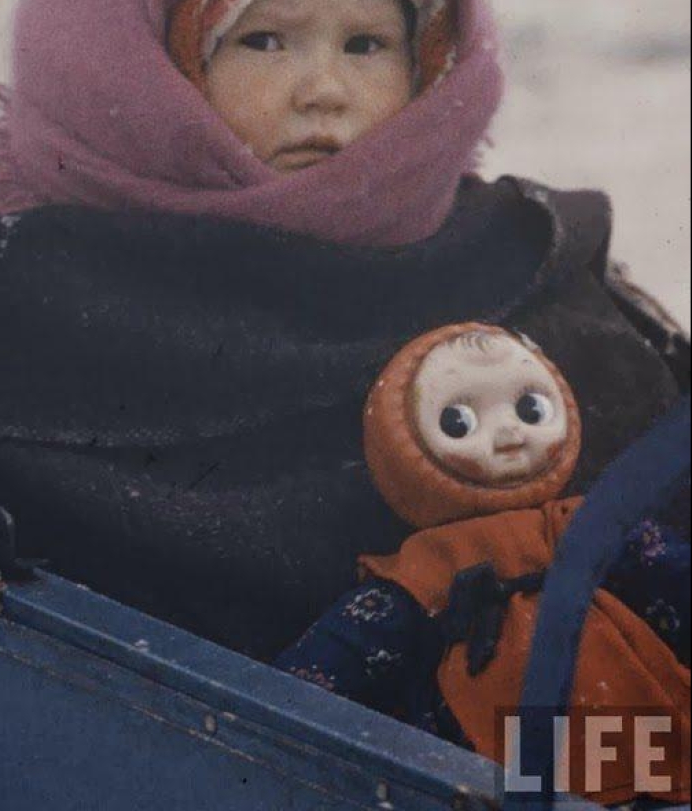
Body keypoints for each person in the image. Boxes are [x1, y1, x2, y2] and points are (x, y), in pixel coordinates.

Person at [0, 0, 687, 663]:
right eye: (263, 40)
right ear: (135, 61)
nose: (324, 90)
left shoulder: (525, 274)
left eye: (367, 44)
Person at [275, 323, 690, 803]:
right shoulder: (428, 568)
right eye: (459, 422)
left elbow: (667, 571)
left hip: (633, 722)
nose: (509, 433)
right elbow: (344, 651)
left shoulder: (578, 523)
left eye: (530, 409)